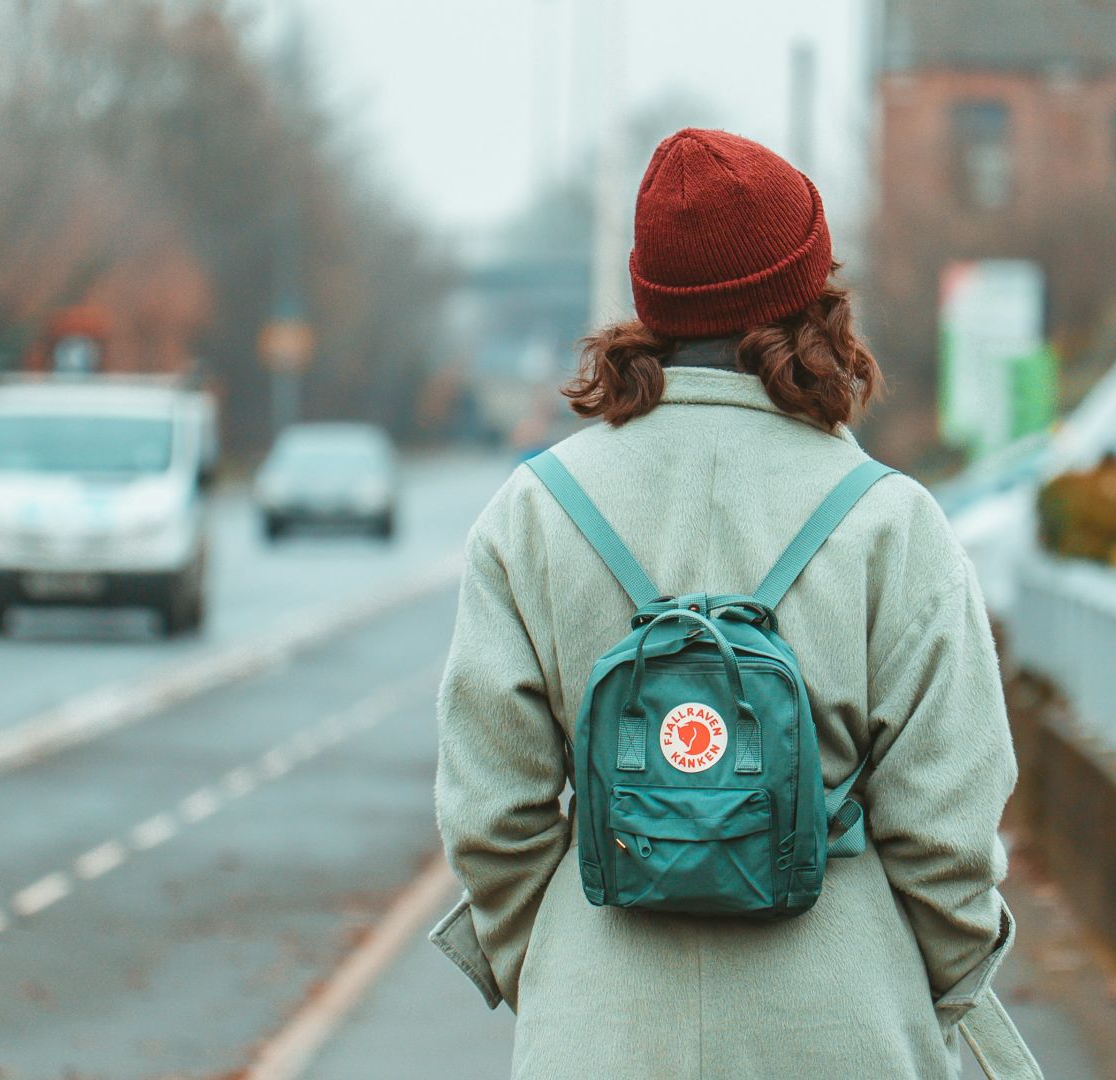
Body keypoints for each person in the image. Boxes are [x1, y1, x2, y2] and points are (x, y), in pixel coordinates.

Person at [433, 128, 1034, 1079]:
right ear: (812, 304)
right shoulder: (892, 522)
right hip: (846, 1033)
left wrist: (556, 972)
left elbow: (490, 816)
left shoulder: (533, 513)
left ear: (647, 301)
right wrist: (933, 993)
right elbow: (947, 833)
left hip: (599, 1037)